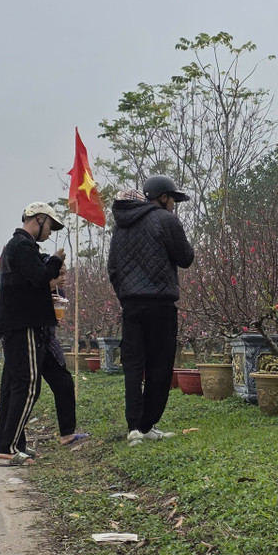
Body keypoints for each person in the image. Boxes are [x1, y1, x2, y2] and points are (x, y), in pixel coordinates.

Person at [0, 202, 87, 466]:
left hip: (16, 325)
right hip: (25, 326)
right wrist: (55, 260)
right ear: (39, 219)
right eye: (50, 226)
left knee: (13, 388)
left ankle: (10, 444)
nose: (50, 232)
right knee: (27, 386)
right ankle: (9, 448)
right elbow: (38, 278)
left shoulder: (16, 246)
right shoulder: (22, 246)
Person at [107, 175, 195, 445]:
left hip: (131, 305)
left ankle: (134, 427)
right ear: (163, 197)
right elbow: (186, 258)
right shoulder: (165, 220)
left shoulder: (119, 228)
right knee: (160, 364)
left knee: (133, 366)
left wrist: (125, 295)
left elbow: (112, 269)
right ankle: (148, 425)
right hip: (160, 304)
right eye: (173, 200)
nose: (173, 205)